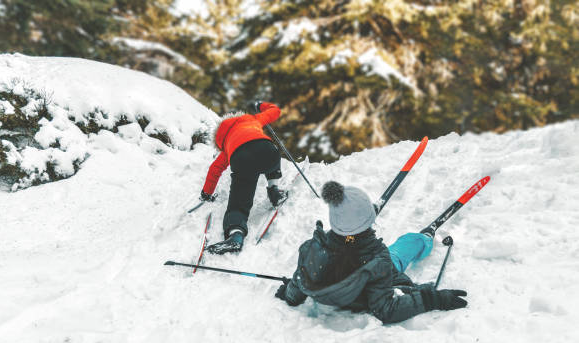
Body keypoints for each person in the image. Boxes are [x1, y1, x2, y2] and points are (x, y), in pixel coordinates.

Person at [274, 181, 468, 324]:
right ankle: (425, 238)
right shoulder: (379, 259)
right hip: (365, 286)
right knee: (403, 247)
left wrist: (289, 292)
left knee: (390, 259)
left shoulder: (315, 247)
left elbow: (300, 281)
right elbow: (386, 310)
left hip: (349, 283)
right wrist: (431, 299)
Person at [199, 102, 288, 255]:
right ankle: (274, 190)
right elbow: (275, 111)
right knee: (271, 156)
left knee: (239, 203)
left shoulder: (227, 143)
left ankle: (236, 235)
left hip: (242, 158)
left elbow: (214, 170)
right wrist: (261, 105)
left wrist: (206, 194)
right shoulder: (253, 120)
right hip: (269, 151)